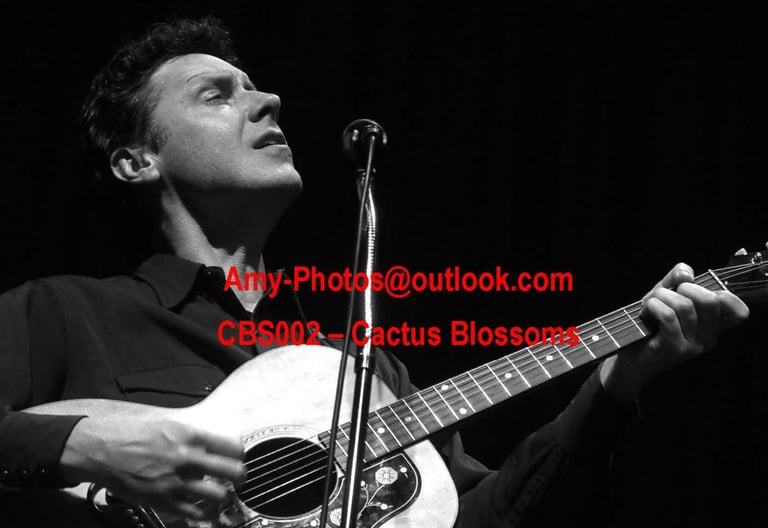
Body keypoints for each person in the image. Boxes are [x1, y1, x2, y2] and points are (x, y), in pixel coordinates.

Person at [0, 16, 749, 528]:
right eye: (217, 94)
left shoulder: (361, 369)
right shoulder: (61, 313)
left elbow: (484, 517)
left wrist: (614, 385)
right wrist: (86, 447)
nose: (269, 100)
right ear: (136, 161)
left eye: (255, 86)